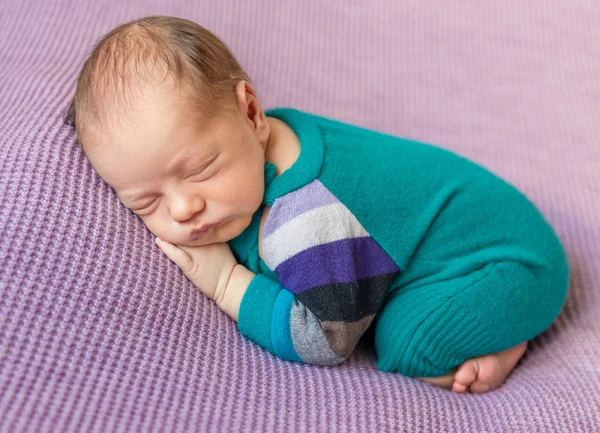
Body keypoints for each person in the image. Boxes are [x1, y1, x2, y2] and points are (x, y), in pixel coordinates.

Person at [63, 15, 570, 394]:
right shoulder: (260, 146)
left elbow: (326, 341)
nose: (182, 209)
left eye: (199, 170)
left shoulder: (306, 215)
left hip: (506, 262)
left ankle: (508, 342)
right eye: (145, 200)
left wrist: (226, 283)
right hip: (468, 232)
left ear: (251, 111)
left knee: (406, 345)